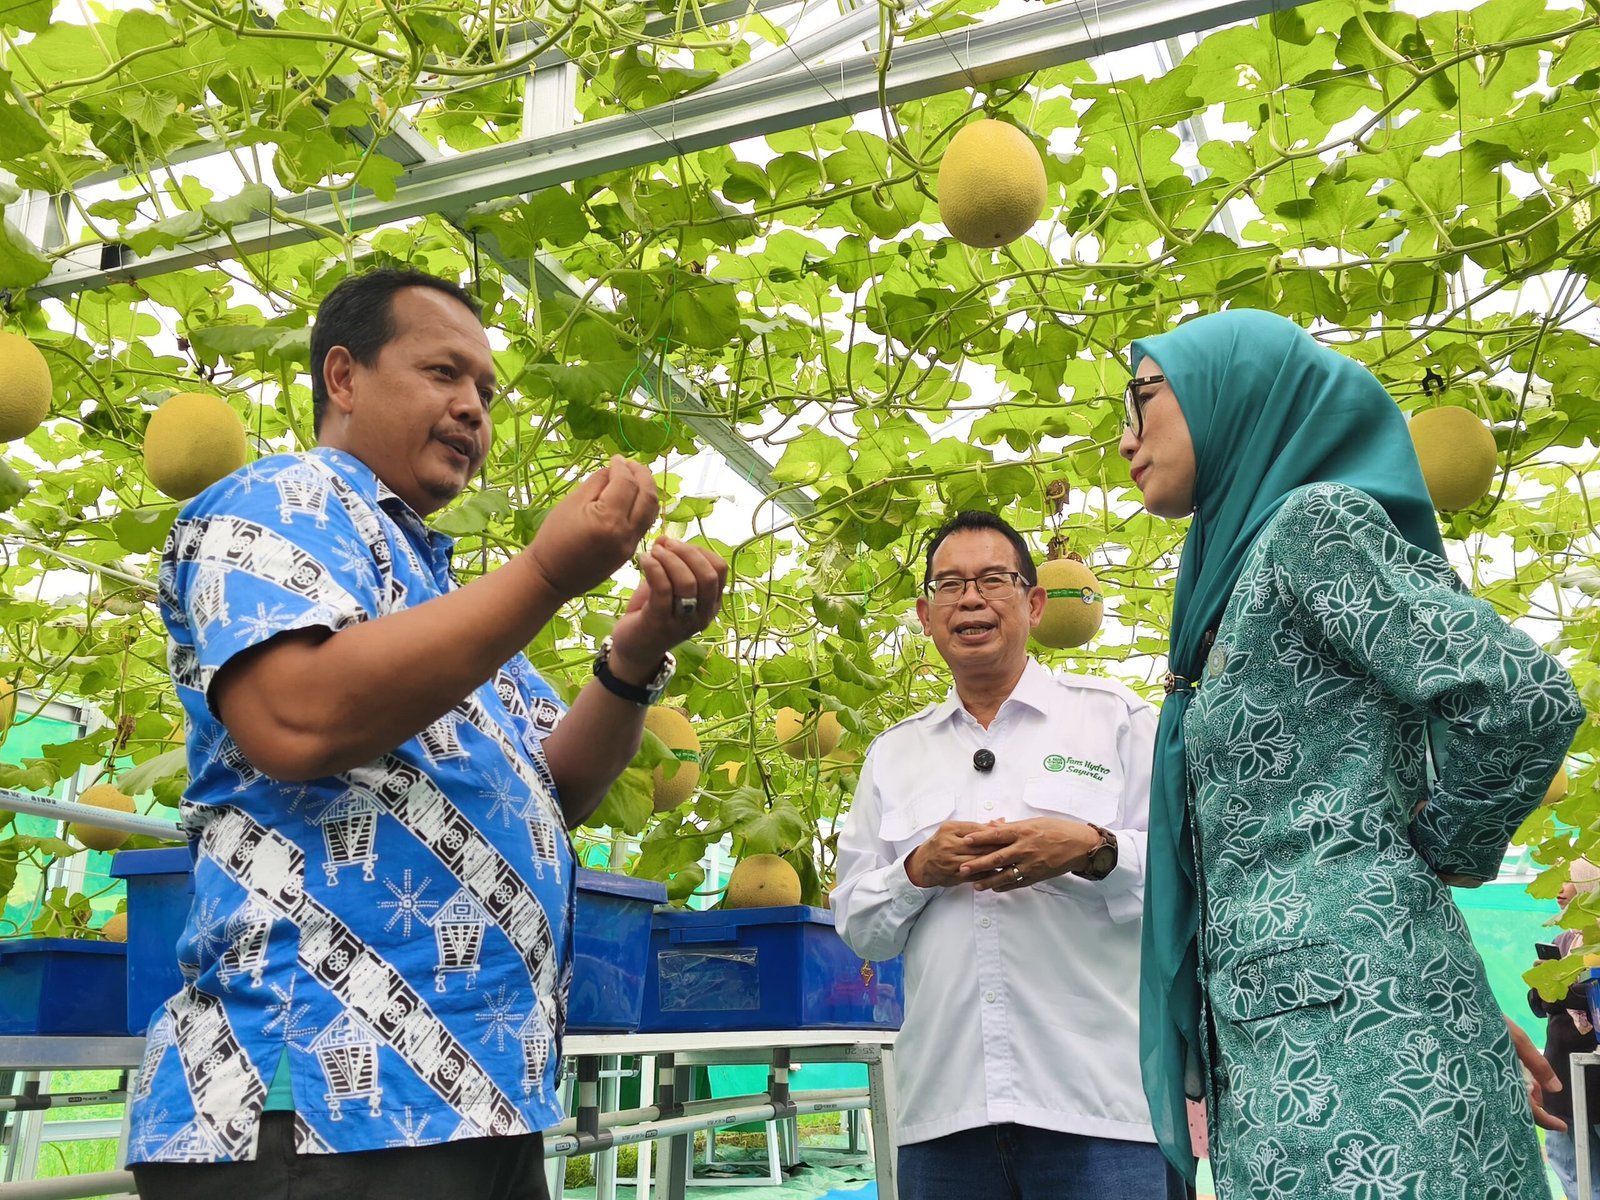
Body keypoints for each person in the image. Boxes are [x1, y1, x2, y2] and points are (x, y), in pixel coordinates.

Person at [124, 267, 727, 1200]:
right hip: (317, 1100)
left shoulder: (442, 594)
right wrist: (545, 573)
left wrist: (635, 656)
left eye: (485, 391)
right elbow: (296, 714)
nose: (473, 409)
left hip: (485, 1097)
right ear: (344, 376)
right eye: (444, 373)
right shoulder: (277, 500)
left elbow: (557, 787)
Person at [1118, 308, 1584, 1196]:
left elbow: (1521, 697)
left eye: (1144, 396)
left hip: (1365, 1051)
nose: (1128, 438)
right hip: (1294, 1051)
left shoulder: (1313, 527)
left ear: (1237, 396)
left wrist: (1426, 862)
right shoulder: (1226, 583)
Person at [832, 510, 1185, 1199]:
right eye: (949, 584)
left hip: (1100, 1102)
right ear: (926, 615)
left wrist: (1093, 848)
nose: (970, 598)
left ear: (1034, 602)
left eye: (994, 579)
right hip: (947, 1109)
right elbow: (857, 924)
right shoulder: (895, 754)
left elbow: (1188, 874)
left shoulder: (1116, 719)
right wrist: (916, 873)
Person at [1530, 858, 1600, 1198]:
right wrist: (1553, 985)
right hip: (1562, 1078)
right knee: (1572, 1174)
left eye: (1569, 879)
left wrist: (1558, 990)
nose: (1560, 888)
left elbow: (1588, 997)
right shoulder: (1563, 939)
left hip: (1594, 1077)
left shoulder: (1595, 943)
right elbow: (1538, 1003)